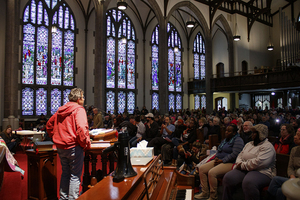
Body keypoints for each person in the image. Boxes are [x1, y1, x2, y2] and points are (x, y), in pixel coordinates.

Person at [46, 88, 91, 200]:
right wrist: (85, 143)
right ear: (79, 98)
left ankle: (63, 197)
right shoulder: (79, 109)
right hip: (73, 146)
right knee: (75, 176)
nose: (84, 99)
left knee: (65, 173)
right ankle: (72, 198)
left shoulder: (61, 110)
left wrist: (56, 136)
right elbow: (81, 128)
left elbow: (49, 125)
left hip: (61, 146)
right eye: (83, 97)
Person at [222, 124, 276, 200]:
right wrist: (239, 163)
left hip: (262, 171)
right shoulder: (249, 144)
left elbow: (259, 163)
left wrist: (242, 165)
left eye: (255, 133)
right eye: (252, 132)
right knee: (228, 177)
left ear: (261, 134)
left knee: (249, 182)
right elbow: (240, 155)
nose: (252, 134)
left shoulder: (267, 146)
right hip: (245, 168)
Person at [195, 124, 244, 200]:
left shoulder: (238, 140)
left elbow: (235, 154)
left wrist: (222, 160)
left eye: (229, 131)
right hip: (219, 160)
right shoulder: (225, 140)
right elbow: (219, 150)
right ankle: (205, 193)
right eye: (226, 130)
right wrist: (217, 157)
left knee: (212, 173)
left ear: (234, 133)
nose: (226, 132)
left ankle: (213, 196)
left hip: (230, 162)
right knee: (202, 168)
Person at [266, 128, 300, 200]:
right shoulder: (295, 150)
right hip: (293, 178)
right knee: (275, 179)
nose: (294, 136)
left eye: (298, 135)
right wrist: (292, 176)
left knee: (280, 191)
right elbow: (290, 167)